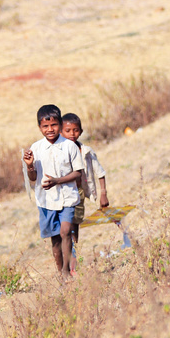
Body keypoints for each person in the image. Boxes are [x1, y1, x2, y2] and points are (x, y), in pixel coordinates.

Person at [23, 103, 84, 282]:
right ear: (39, 127)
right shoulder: (36, 148)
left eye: (54, 125)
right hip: (46, 201)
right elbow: (33, 178)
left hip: (68, 197)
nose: (50, 129)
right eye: (45, 126)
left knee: (66, 231)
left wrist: (57, 181)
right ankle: (61, 274)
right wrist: (30, 165)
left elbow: (78, 172)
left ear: (59, 124)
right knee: (55, 241)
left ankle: (67, 271)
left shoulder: (69, 146)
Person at [61, 112, 109, 270]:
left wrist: (103, 194)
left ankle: (73, 256)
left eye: (75, 130)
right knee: (64, 228)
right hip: (63, 194)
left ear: (80, 132)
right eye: (68, 131)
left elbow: (100, 172)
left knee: (75, 225)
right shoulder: (59, 151)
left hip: (79, 193)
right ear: (61, 132)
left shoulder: (86, 151)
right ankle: (67, 260)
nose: (72, 134)